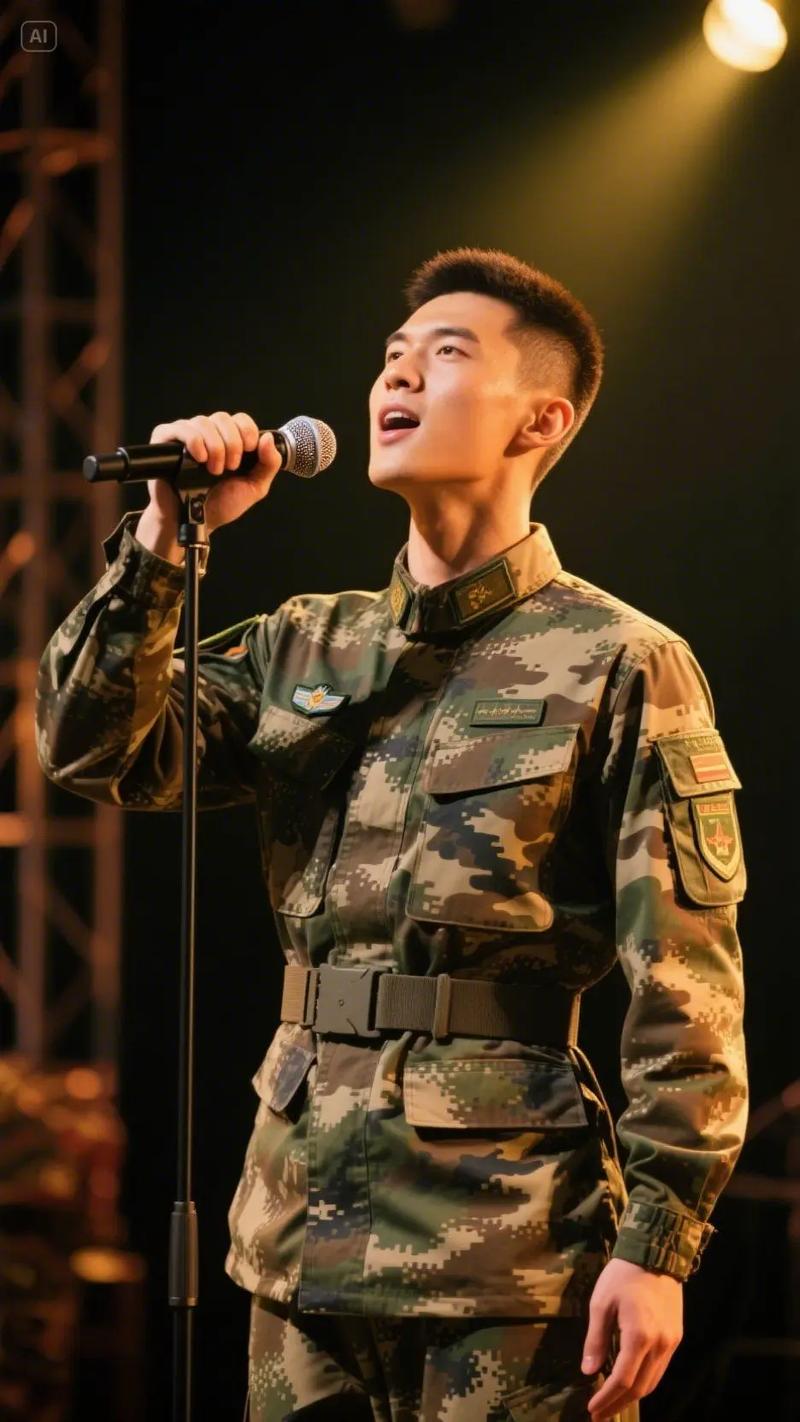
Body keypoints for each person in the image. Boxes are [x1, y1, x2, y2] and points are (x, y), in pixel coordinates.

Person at [35, 247, 749, 1422]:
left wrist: (659, 1243)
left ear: (542, 419)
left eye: (444, 355)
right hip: (295, 1229)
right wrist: (166, 542)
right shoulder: (304, 647)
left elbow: (685, 978)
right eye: (390, 358)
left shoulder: (618, 660)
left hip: (506, 1249)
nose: (396, 379)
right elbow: (89, 747)